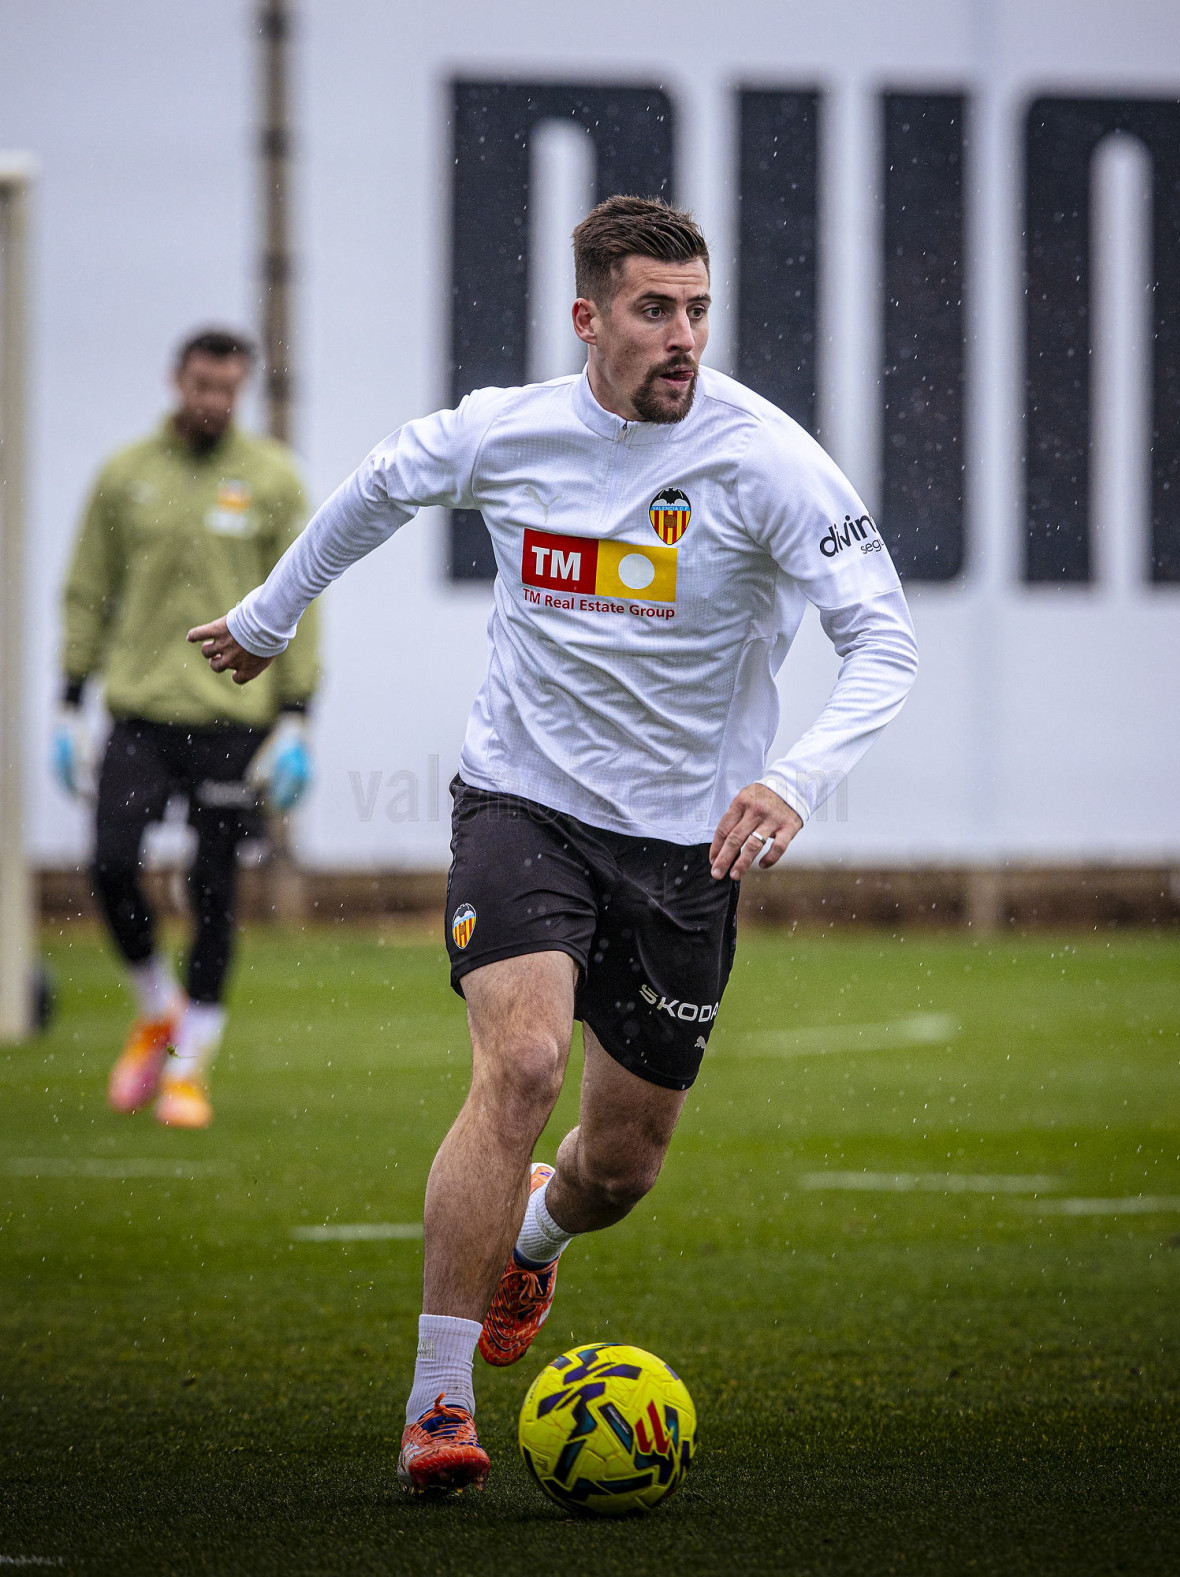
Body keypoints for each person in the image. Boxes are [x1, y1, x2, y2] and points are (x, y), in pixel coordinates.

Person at [188, 197, 918, 1487]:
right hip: (521, 804)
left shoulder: (770, 461)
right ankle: (437, 1402)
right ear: (588, 317)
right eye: (654, 309)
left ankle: (537, 1235)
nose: (684, 335)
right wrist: (266, 615)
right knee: (520, 1061)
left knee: (621, 1166)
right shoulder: (509, 430)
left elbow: (885, 639)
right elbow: (381, 484)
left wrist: (794, 780)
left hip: (684, 852)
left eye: (698, 309)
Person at [54, 328, 319, 1129]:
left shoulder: (271, 478)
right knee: (109, 862)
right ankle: (157, 1007)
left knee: (213, 887)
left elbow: (302, 598)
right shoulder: (125, 476)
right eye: (202, 385)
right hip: (139, 713)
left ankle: (189, 1063)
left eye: (227, 389)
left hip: (232, 719)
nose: (213, 401)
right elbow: (87, 589)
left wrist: (298, 719)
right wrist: (69, 700)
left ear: (243, 388)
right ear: (177, 379)